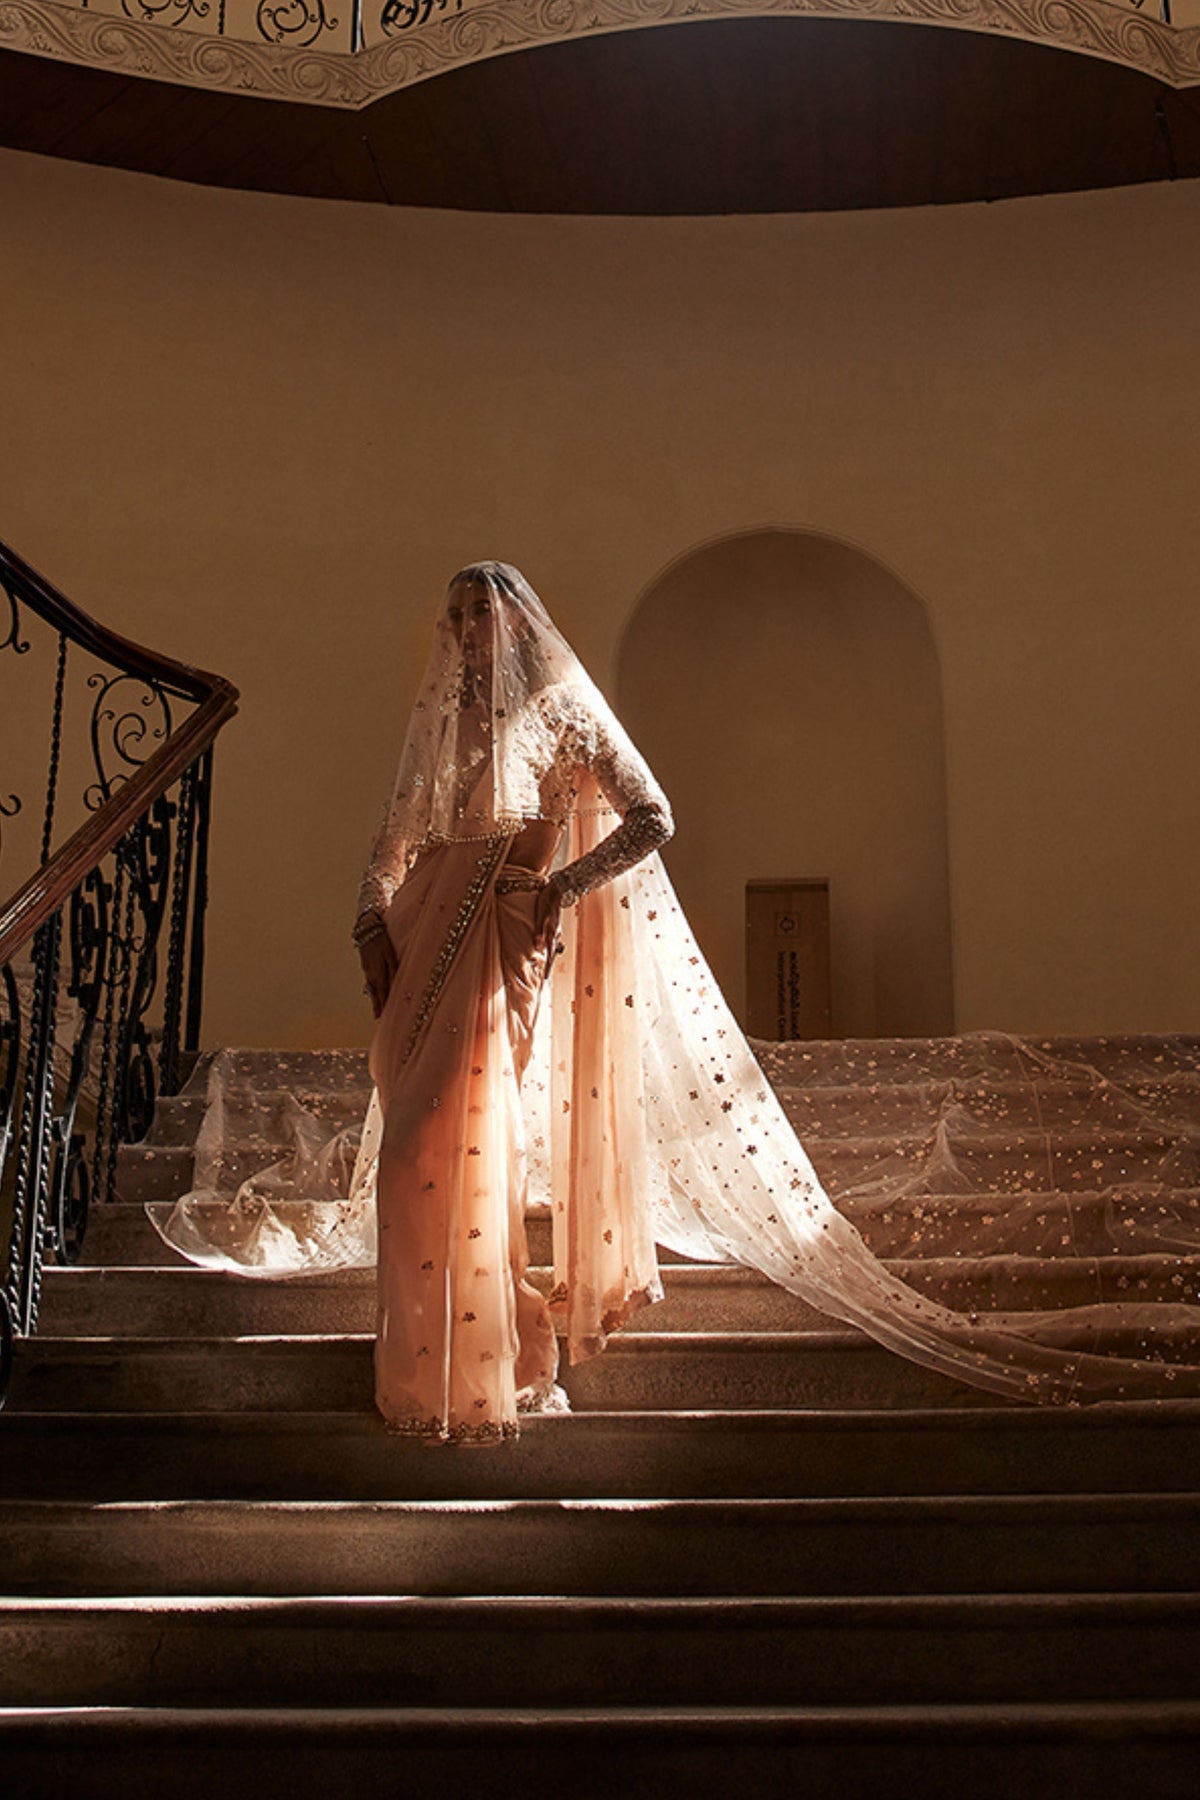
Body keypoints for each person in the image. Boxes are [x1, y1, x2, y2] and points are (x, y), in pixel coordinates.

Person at [150, 560, 1200, 1441]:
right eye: (457, 613)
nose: (469, 629)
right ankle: (430, 1370)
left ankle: (494, 1362)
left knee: (456, 1139)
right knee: (415, 1153)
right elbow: (398, 839)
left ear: (517, 618)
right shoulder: (443, 720)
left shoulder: (563, 707)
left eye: (485, 610)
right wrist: (370, 912)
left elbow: (652, 816)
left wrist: (553, 888)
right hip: (425, 940)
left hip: (505, 939)